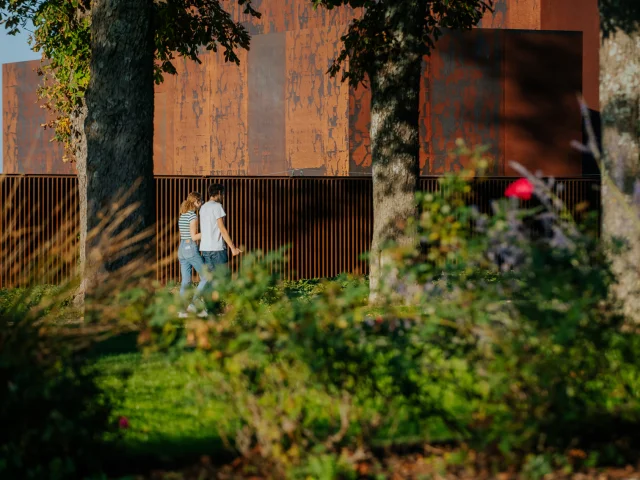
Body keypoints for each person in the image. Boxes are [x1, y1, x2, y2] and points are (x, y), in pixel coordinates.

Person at [177, 192, 208, 317]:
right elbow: (194, 236)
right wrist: (207, 232)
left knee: (186, 281)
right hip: (190, 247)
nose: (201, 204)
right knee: (206, 276)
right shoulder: (192, 216)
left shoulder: (182, 215)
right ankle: (194, 304)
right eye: (200, 201)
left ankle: (181, 310)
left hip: (182, 248)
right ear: (196, 201)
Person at [199, 183, 241, 274]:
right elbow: (222, 229)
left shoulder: (203, 207)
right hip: (217, 249)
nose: (223, 196)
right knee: (223, 279)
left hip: (205, 248)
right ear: (218, 193)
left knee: (210, 278)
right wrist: (233, 248)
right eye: (222, 194)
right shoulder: (217, 206)